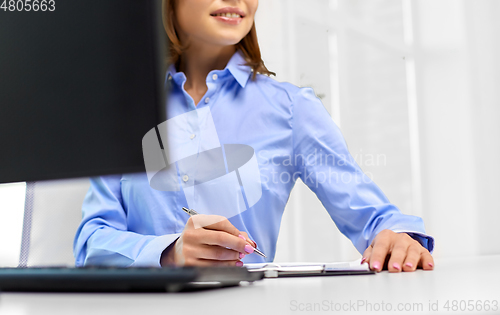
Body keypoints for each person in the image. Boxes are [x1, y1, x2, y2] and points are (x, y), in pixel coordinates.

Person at [74, 0, 434, 273]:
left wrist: (397, 239)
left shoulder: (291, 109)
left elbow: (376, 220)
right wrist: (171, 252)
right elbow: (90, 243)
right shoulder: (122, 108)